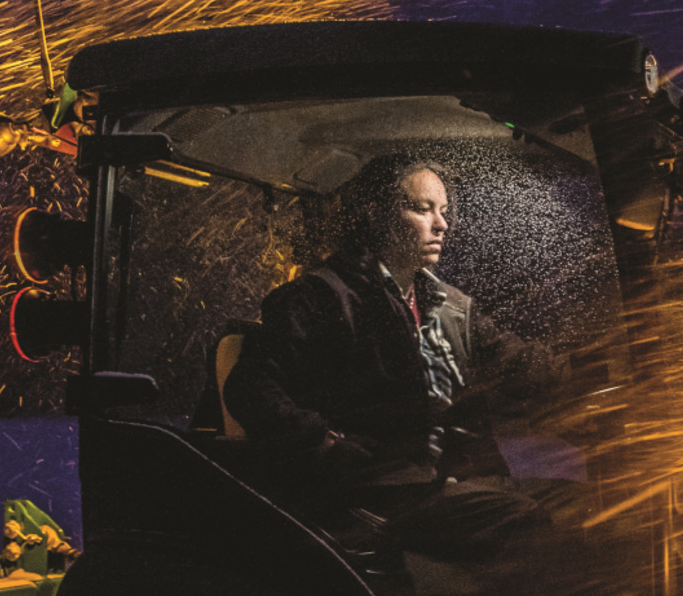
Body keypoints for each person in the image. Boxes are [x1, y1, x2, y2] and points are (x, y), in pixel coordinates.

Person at [226, 154, 552, 556]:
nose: (441, 224)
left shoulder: (449, 305)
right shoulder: (319, 298)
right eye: (421, 209)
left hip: (450, 479)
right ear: (376, 214)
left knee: (568, 497)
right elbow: (251, 387)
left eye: (444, 211)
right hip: (382, 492)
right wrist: (329, 445)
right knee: (527, 521)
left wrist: (598, 370)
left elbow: (522, 364)